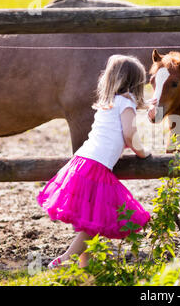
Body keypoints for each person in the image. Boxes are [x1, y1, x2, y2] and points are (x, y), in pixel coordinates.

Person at [37, 55, 152, 269]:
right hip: (95, 167)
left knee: (92, 221)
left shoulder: (108, 103)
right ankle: (64, 260)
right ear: (137, 83)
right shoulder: (127, 102)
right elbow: (129, 133)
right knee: (97, 222)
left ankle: (85, 267)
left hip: (82, 161)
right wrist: (143, 152)